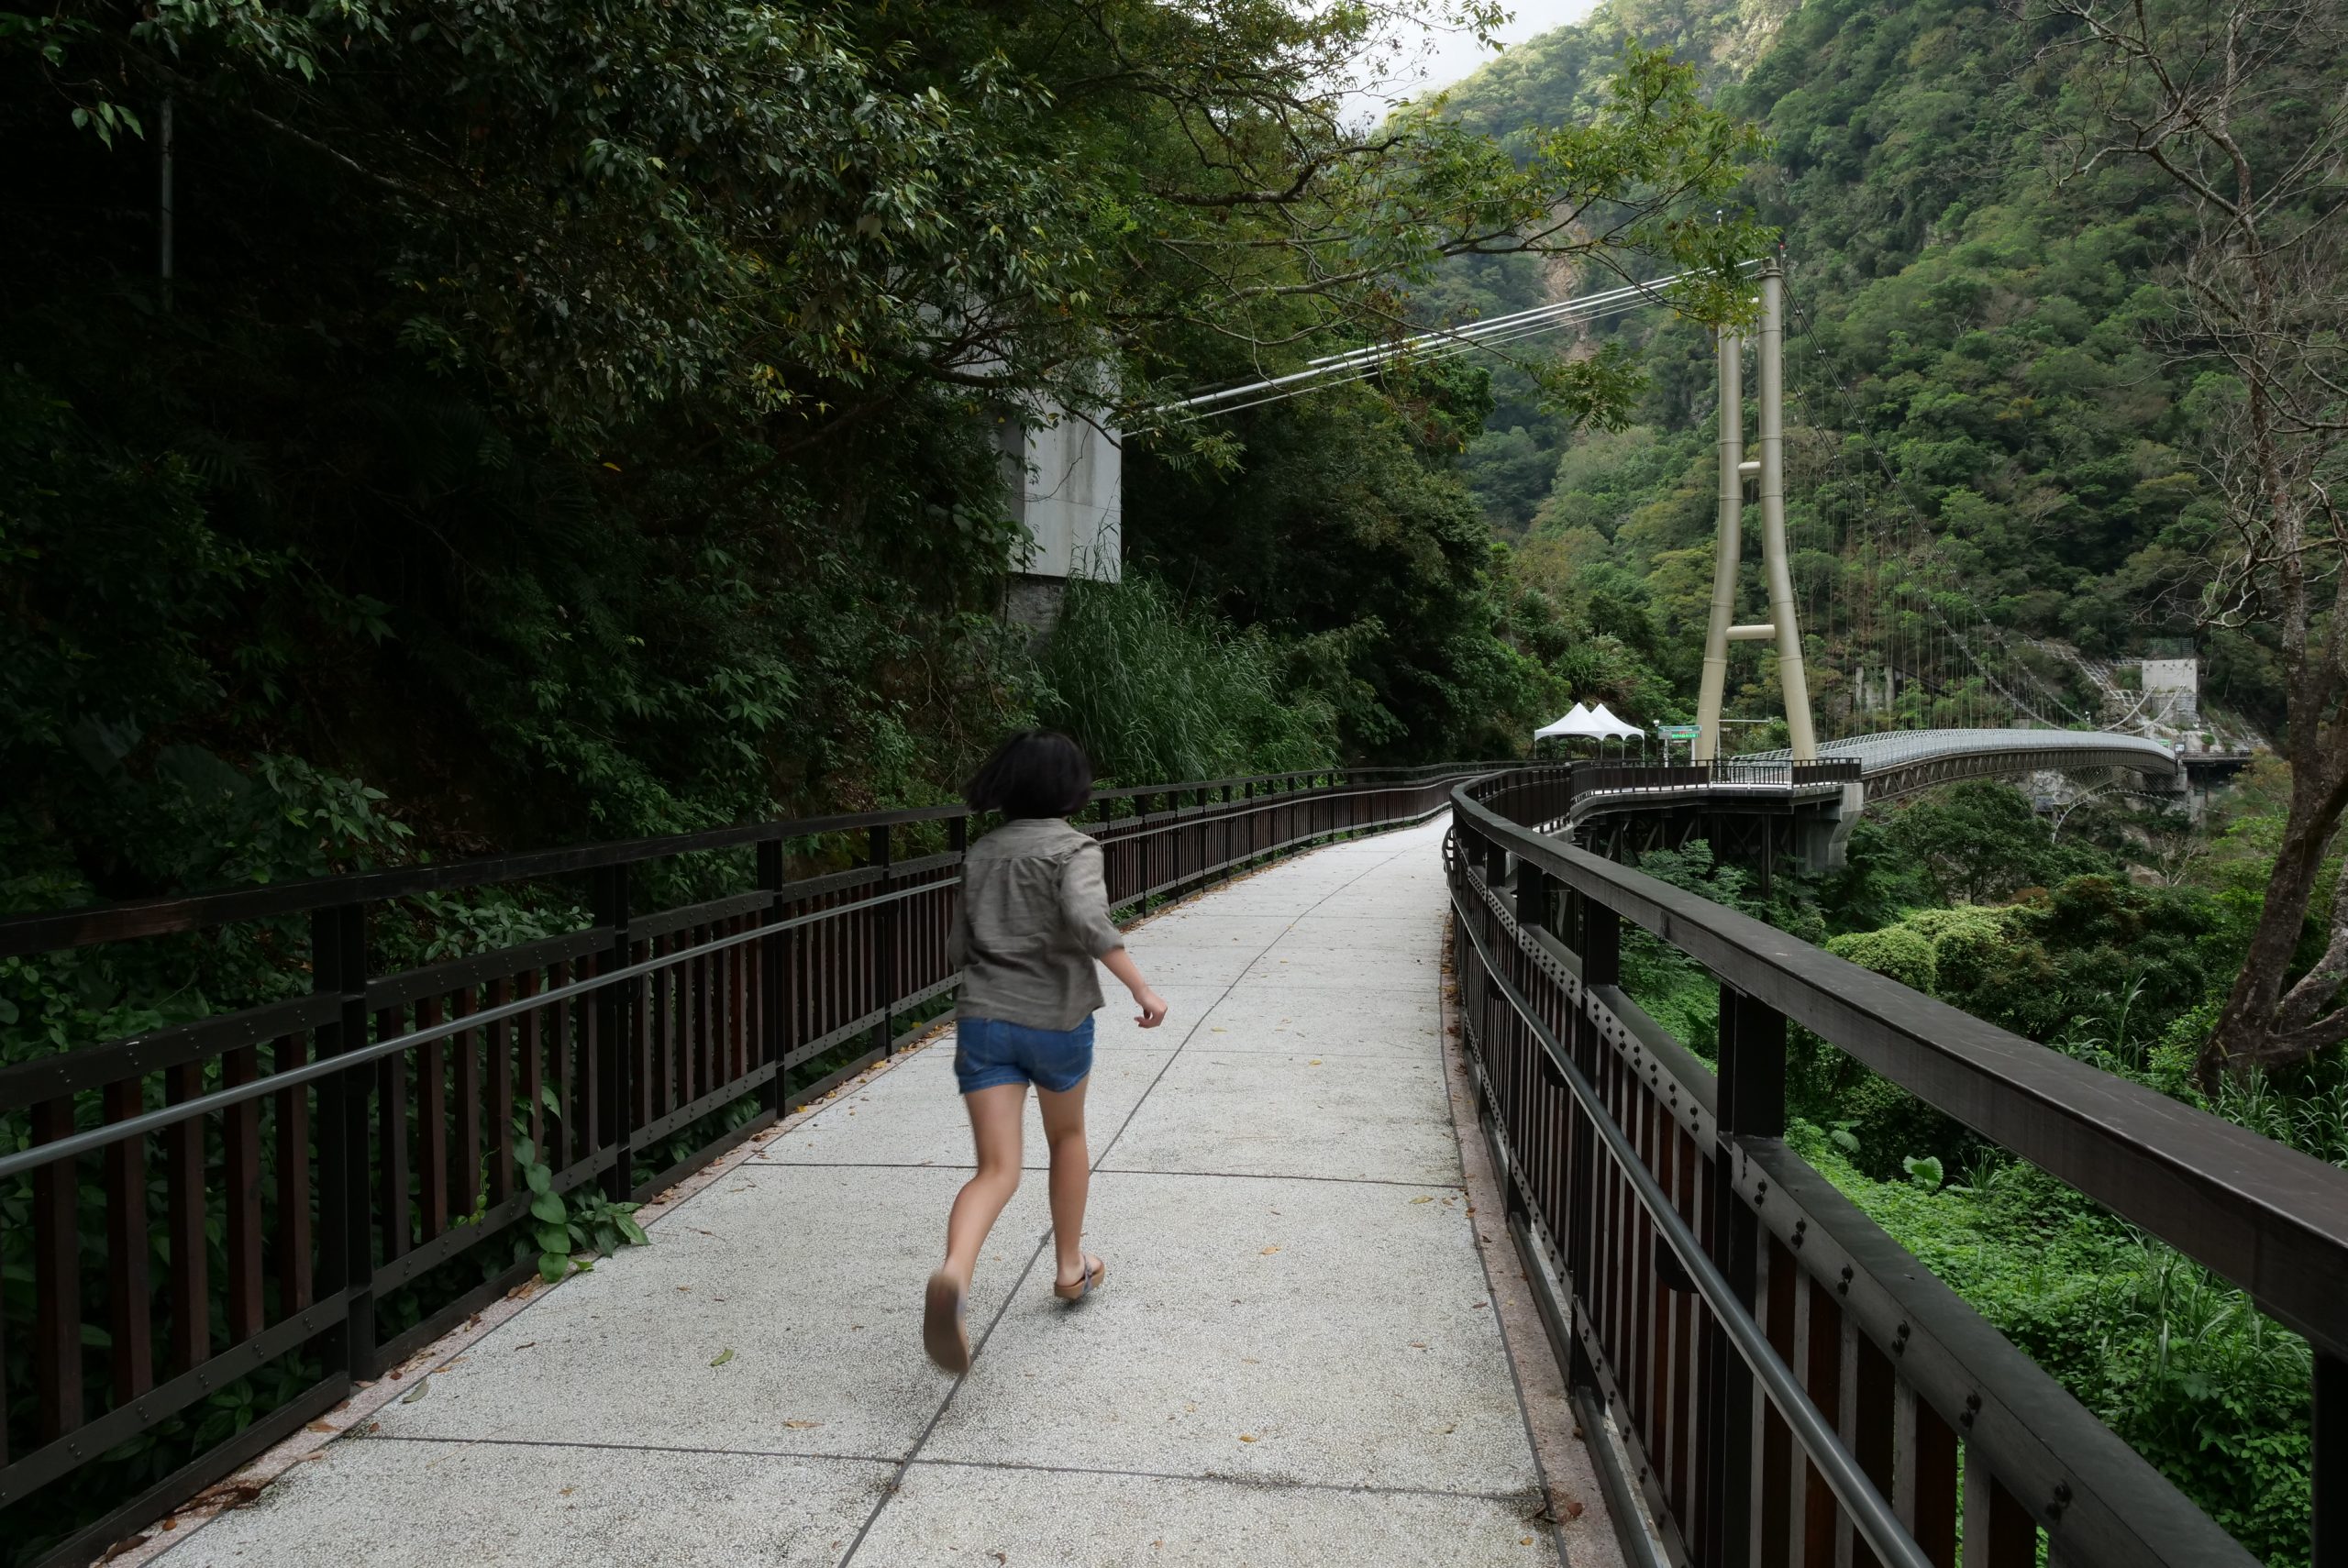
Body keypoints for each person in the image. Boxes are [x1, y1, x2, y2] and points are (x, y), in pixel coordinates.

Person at [924, 731, 1168, 1375]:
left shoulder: (981, 852)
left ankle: (954, 1272)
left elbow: (957, 947)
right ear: (1070, 788)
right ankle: (1068, 1268)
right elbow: (1090, 923)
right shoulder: (1073, 848)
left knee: (995, 1169)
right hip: (1055, 1022)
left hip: (984, 1020)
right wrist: (1140, 984)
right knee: (1067, 1138)